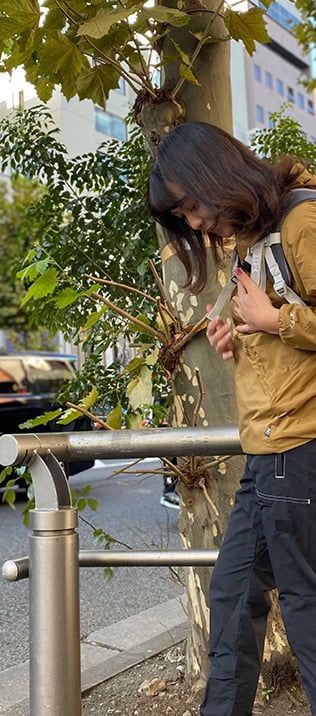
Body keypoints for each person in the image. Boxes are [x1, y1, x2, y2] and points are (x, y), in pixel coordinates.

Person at [146, 121, 316, 716]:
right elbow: (277, 333)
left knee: (305, 607)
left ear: (218, 174)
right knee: (233, 590)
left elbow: (289, 323)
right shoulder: (253, 240)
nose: (194, 223)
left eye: (192, 206)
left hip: (300, 446)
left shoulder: (301, 220)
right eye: (182, 215)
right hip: (266, 448)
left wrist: (275, 323)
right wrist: (241, 337)